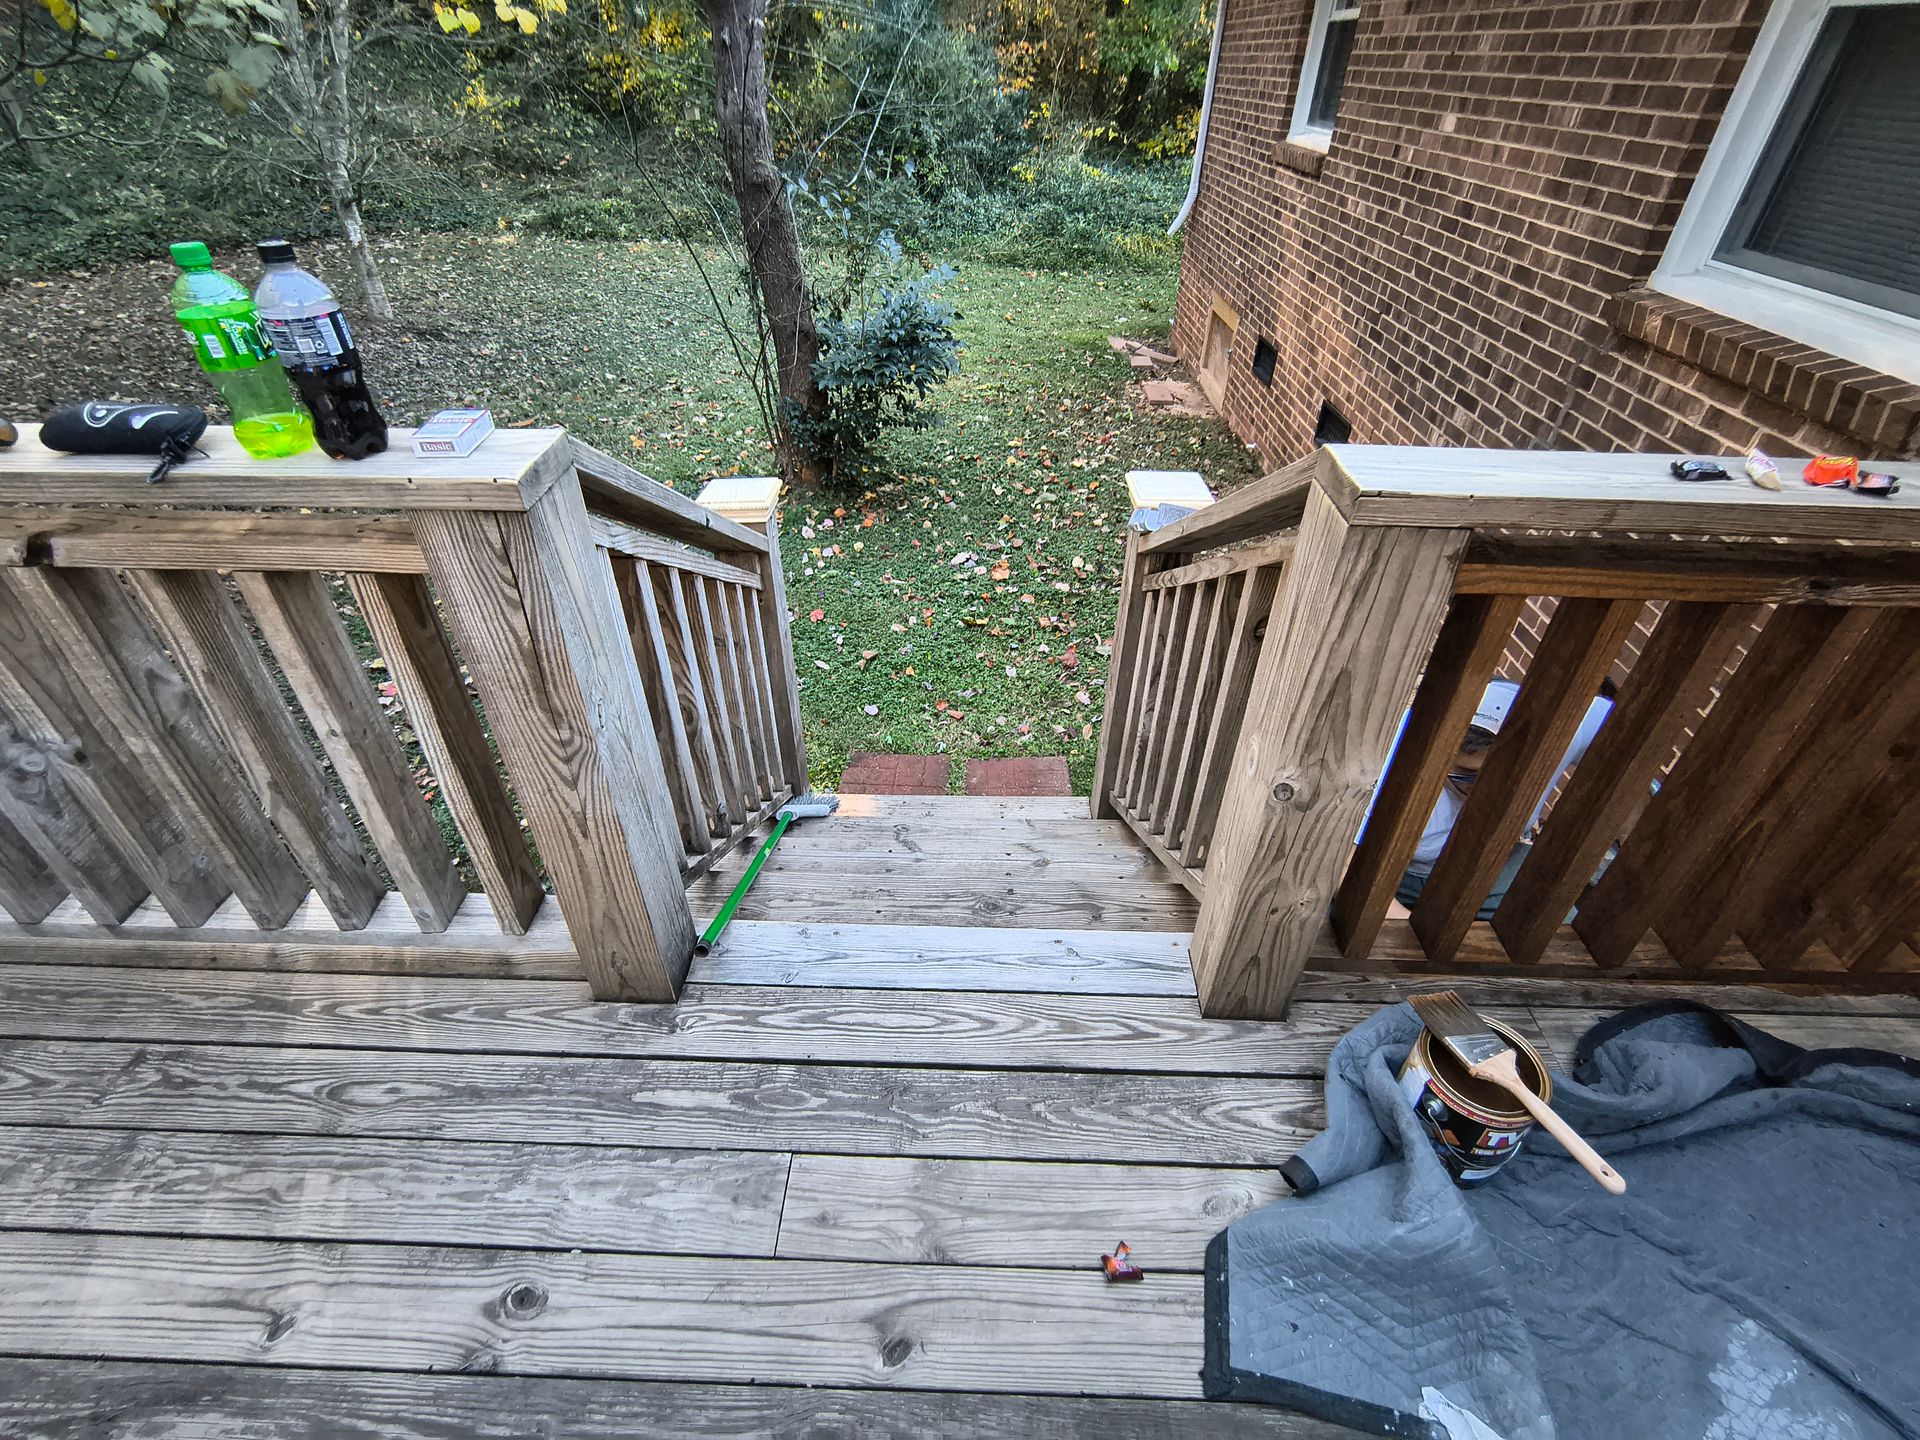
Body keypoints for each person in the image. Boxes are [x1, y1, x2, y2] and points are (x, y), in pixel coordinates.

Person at [1375, 677, 1613, 920]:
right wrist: (1412, 935)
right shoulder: (1392, 761)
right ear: (1439, 756)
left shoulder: (1561, 729)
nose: (1484, 790)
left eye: (1501, 775)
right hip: (1398, 874)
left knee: (1562, 929)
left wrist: (1622, 836)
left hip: (1496, 865)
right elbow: (1345, 865)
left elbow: (1626, 741)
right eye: (1468, 775)